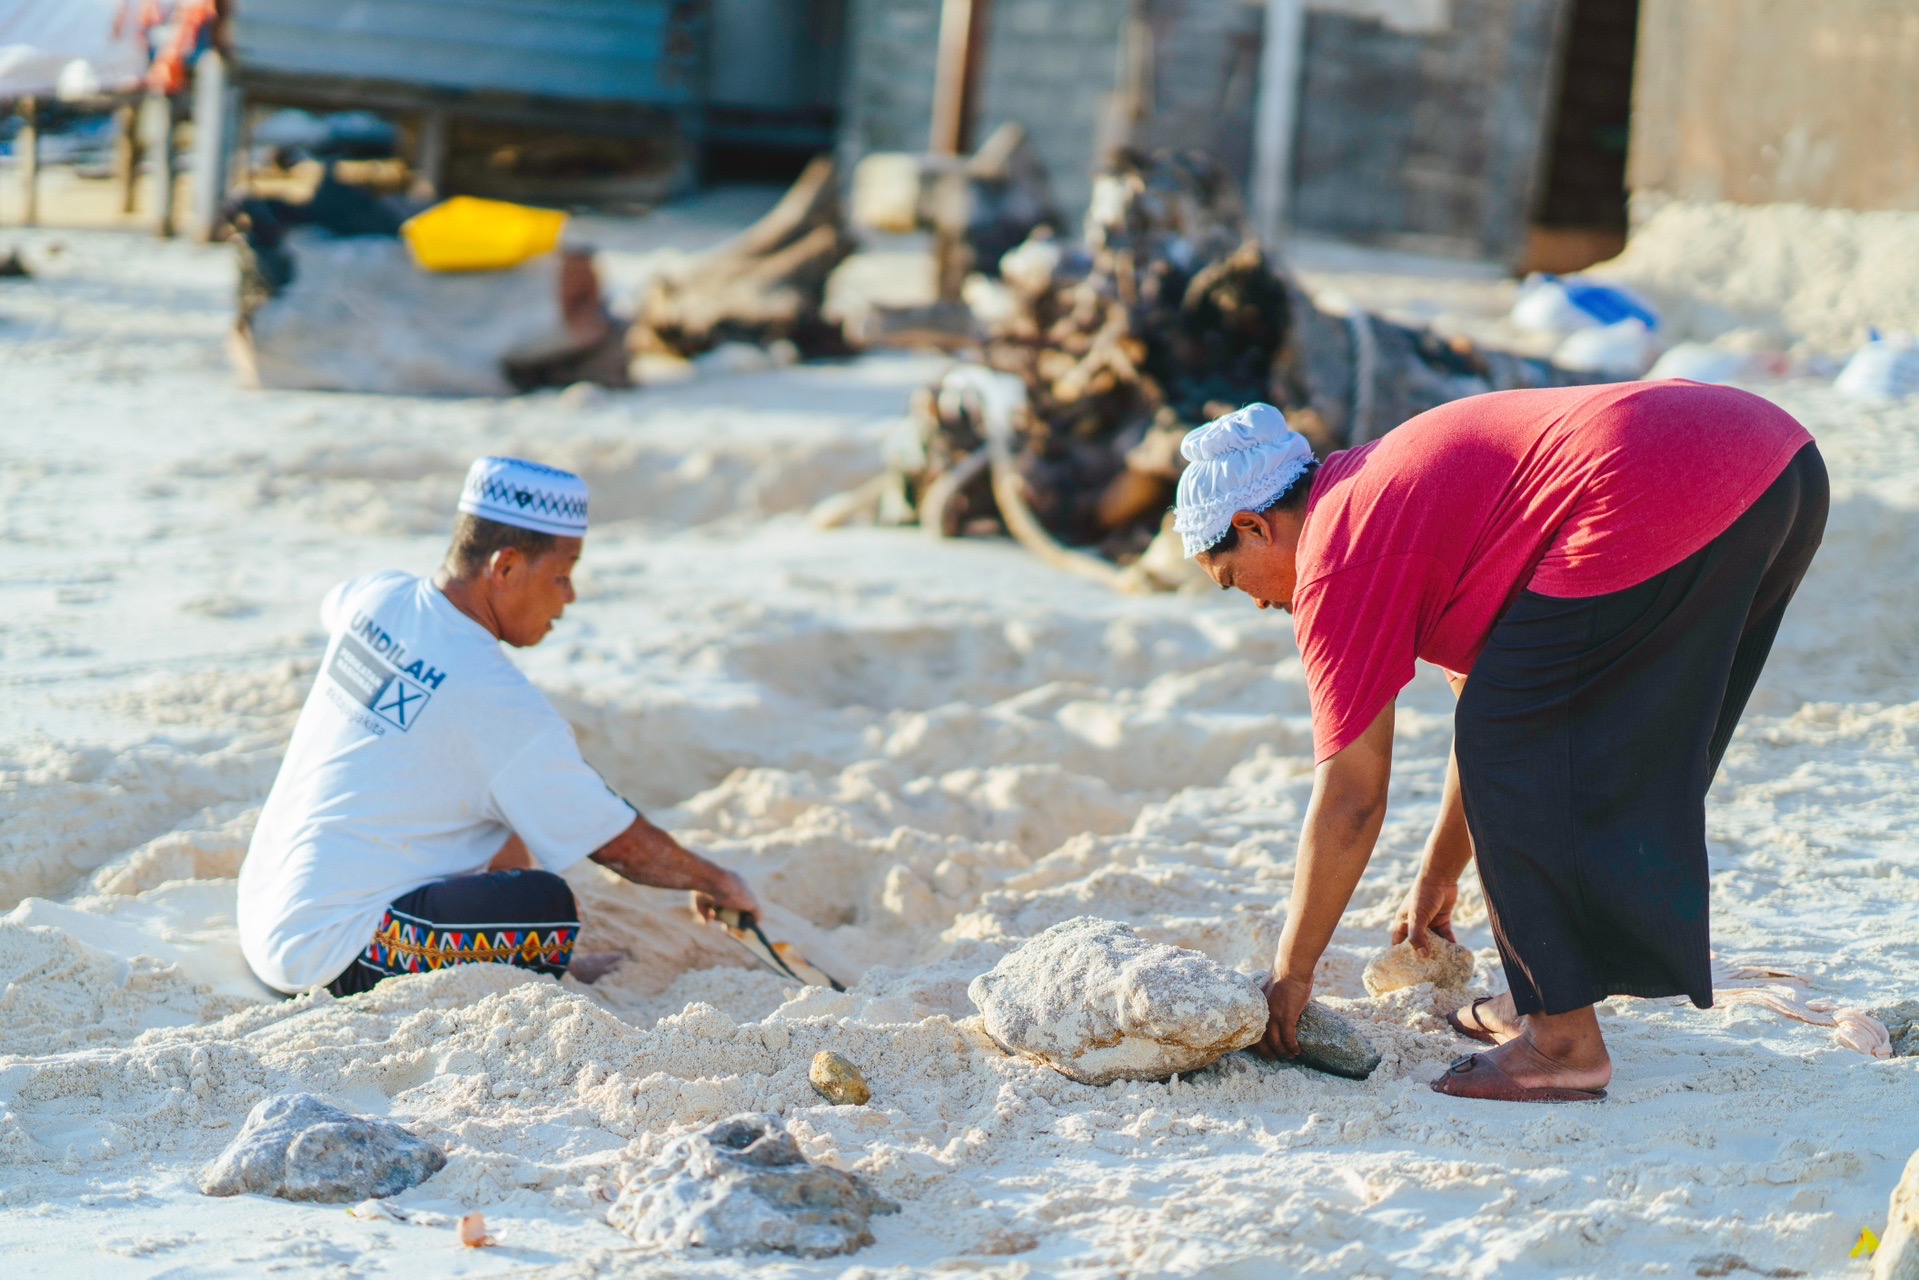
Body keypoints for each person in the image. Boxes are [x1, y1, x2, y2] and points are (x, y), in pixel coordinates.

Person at [1175, 384, 1824, 1102]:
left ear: (1254, 525)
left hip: (1661, 481)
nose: (1262, 603)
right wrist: (1437, 877)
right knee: (1574, 740)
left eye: (1236, 580)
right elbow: (1484, 709)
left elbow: (1352, 798)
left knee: (1525, 744)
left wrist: (1290, 975)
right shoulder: (1385, 497)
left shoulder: (1338, 551)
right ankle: (1543, 993)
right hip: (1778, 466)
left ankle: (1561, 1044)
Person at [238, 456, 759, 997]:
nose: (569, 596)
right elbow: (618, 845)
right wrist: (717, 881)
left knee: (503, 800)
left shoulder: (376, 597)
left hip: (262, 912)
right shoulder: (500, 704)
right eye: (563, 574)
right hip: (332, 961)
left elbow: (336, 604)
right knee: (543, 909)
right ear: (505, 567)